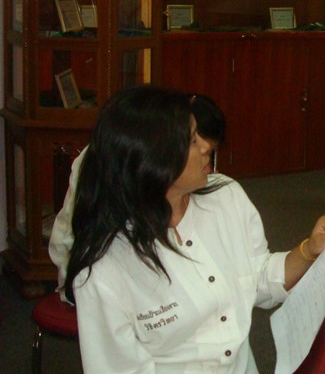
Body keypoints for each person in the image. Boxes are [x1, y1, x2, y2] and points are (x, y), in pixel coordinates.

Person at [62, 85, 325, 374]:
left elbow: (255, 277)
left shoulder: (226, 196)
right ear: (153, 159)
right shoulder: (106, 263)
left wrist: (309, 249)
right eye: (192, 141)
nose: (207, 146)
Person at [48, 93, 226, 303]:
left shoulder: (220, 193)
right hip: (96, 274)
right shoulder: (123, 163)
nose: (204, 155)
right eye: (194, 141)